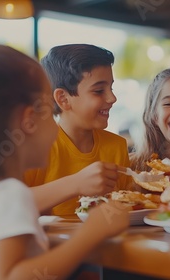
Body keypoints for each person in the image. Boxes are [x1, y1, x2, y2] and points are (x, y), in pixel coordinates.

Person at [0, 44, 129, 280]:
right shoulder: (9, 194)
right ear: (29, 121)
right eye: (50, 113)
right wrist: (90, 234)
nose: (55, 125)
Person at [24, 44, 133, 216]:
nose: (112, 98)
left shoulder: (117, 146)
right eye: (98, 91)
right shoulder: (37, 148)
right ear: (63, 98)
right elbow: (10, 205)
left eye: (111, 88)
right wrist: (76, 183)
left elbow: (129, 204)